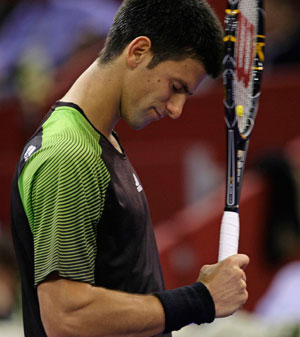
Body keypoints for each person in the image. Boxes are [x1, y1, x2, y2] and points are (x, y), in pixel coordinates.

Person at [10, 1, 249, 336]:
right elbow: (65, 316)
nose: (177, 108)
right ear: (138, 51)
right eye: (176, 87)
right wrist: (201, 299)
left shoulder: (99, 142)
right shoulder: (70, 154)